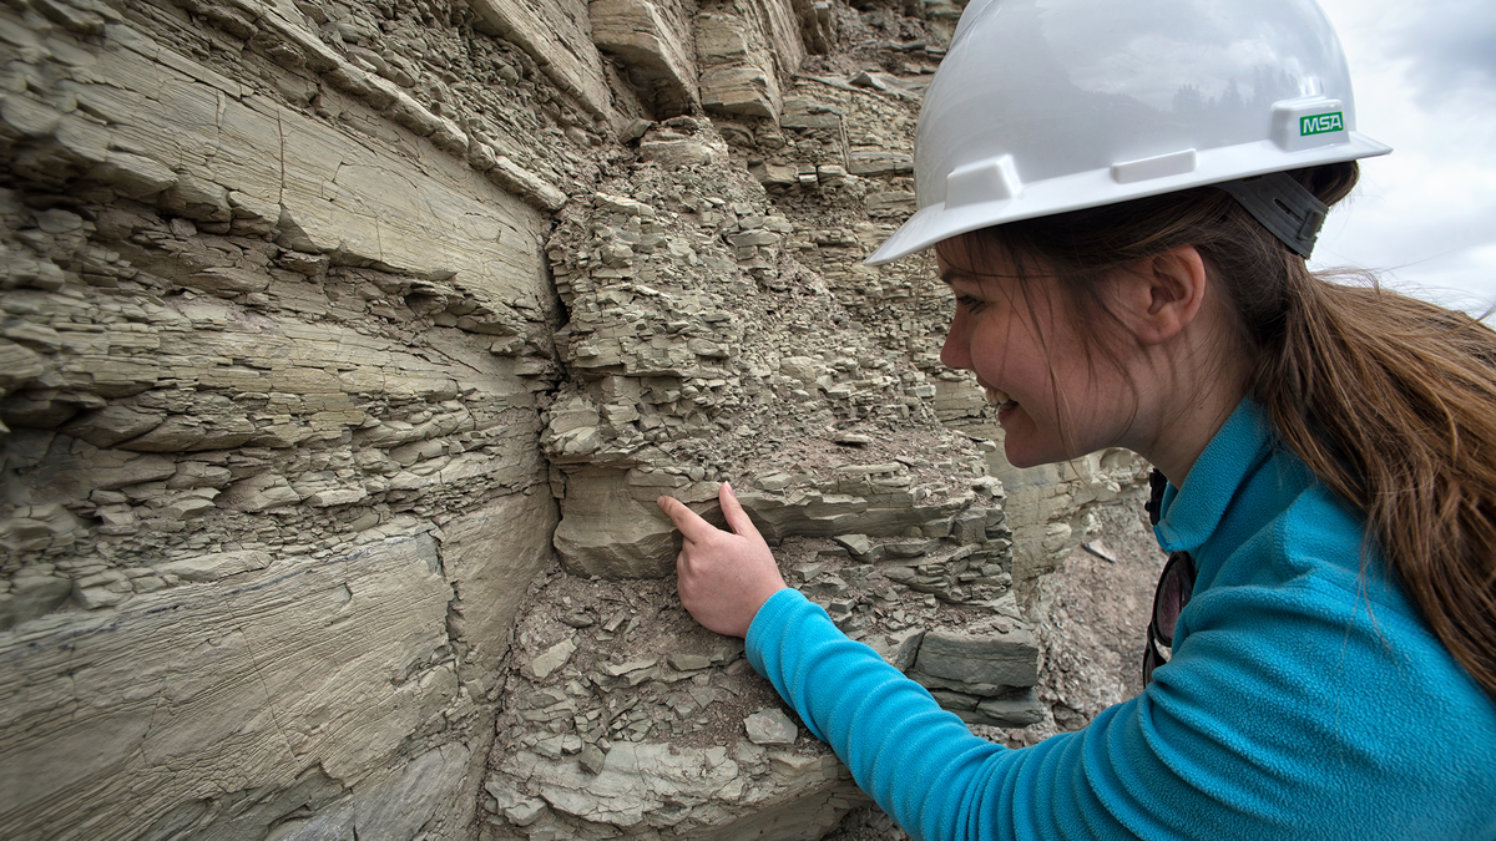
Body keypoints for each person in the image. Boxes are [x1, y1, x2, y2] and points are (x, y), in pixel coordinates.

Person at [657, 0, 1496, 838]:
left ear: (1159, 292)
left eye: (973, 298)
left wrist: (772, 611)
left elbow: (982, 808)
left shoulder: (1320, 680)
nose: (952, 350)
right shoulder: (1338, 457)